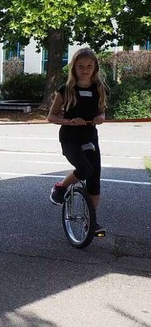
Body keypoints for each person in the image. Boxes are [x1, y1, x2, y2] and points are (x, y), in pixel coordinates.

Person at [47, 47, 108, 236]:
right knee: (85, 169)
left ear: (95, 67)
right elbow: (51, 117)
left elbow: (101, 111)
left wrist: (101, 117)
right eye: (81, 66)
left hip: (89, 135)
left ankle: (92, 221)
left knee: (94, 178)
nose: (85, 70)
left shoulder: (99, 88)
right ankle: (61, 187)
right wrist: (69, 121)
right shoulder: (65, 90)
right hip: (70, 137)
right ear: (74, 68)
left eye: (89, 66)